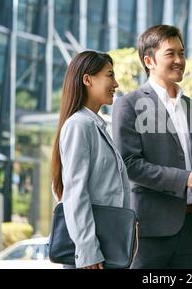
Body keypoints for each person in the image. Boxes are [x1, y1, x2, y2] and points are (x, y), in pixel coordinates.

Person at [112, 25, 192, 269]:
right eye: (170, 54)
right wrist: (186, 179)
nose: (179, 60)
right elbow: (129, 165)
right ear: (149, 60)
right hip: (148, 232)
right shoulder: (128, 105)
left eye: (181, 53)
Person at [51, 51, 131, 269]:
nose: (115, 83)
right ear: (87, 79)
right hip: (91, 255)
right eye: (110, 75)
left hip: (105, 246)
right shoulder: (79, 125)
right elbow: (75, 192)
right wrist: (87, 249)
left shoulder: (96, 126)